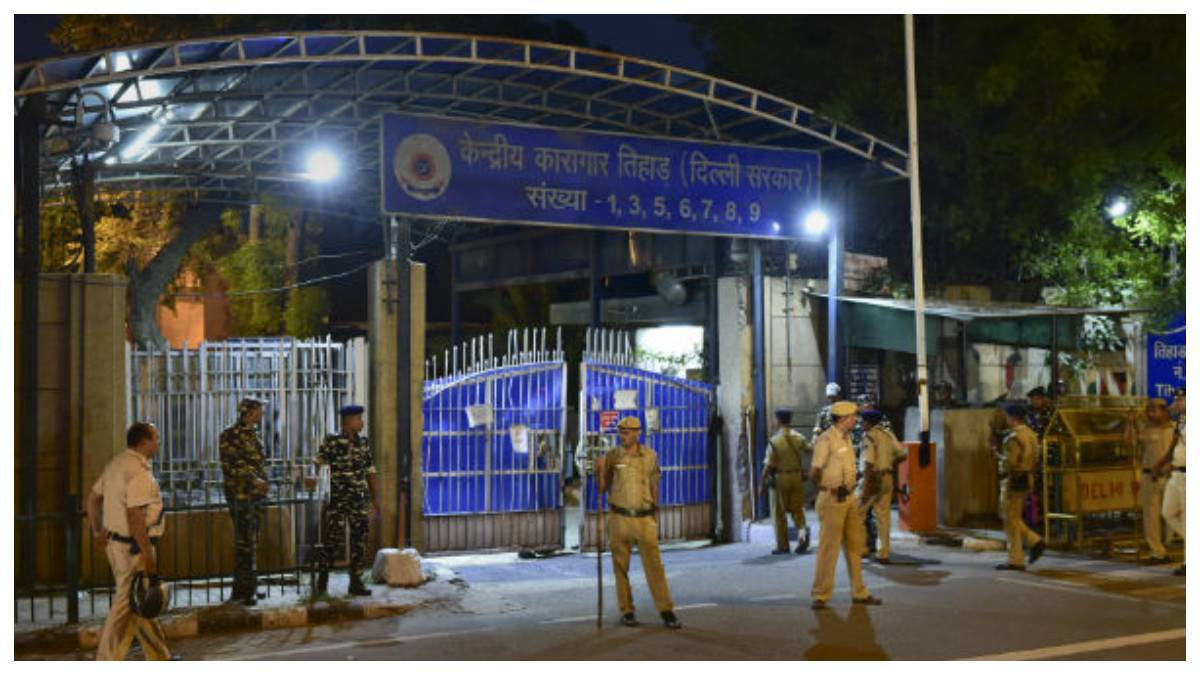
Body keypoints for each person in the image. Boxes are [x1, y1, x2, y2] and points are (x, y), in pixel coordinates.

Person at [86, 422, 173, 660]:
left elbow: (92, 499)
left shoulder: (116, 464)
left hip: (116, 545)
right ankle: (105, 659)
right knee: (125, 604)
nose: (159, 442)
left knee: (141, 600)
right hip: (133, 548)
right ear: (144, 442)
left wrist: (97, 530)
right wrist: (148, 555)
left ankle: (159, 657)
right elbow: (135, 516)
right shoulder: (138, 472)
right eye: (155, 438)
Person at [596, 416, 682, 629]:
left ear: (637, 433)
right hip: (619, 519)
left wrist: (655, 514)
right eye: (621, 432)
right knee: (620, 567)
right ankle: (627, 611)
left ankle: (666, 610)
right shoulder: (613, 456)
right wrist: (599, 470)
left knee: (655, 566)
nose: (623, 436)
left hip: (644, 519)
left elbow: (654, 486)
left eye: (626, 433)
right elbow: (602, 488)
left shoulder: (650, 456)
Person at [809, 400, 881, 609]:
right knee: (828, 549)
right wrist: (826, 489)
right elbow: (814, 472)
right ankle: (820, 595)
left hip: (849, 498)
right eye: (852, 417)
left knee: (854, 546)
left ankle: (860, 592)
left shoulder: (847, 438)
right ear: (842, 419)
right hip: (832, 499)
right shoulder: (826, 439)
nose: (856, 420)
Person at [312, 404, 379, 596]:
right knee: (333, 541)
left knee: (359, 541)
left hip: (359, 500)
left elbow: (370, 471)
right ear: (348, 421)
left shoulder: (363, 442)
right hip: (338, 501)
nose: (362, 422)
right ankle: (322, 584)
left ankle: (356, 583)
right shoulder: (332, 441)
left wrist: (375, 498)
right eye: (359, 419)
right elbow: (318, 462)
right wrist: (312, 476)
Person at [219, 398, 269, 606]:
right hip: (241, 496)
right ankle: (245, 592)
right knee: (245, 543)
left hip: (255, 497)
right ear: (249, 412)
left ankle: (245, 588)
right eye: (259, 410)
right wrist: (254, 479)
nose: (262, 414)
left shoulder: (253, 434)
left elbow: (258, 463)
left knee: (250, 542)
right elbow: (231, 465)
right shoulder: (230, 435)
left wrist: (261, 482)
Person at [994, 404, 1045, 571]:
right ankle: (1032, 543)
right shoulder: (1031, 435)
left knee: (1010, 520)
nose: (1006, 419)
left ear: (1013, 418)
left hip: (1013, 480)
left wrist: (998, 455)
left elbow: (1010, 462)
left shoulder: (1013, 437)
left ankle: (1019, 556)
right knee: (1013, 517)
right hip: (1027, 478)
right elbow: (1036, 457)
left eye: (1007, 416)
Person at [1125, 398, 1175, 564]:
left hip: (1170, 476)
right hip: (1149, 476)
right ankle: (1157, 551)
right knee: (1151, 516)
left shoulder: (1175, 429)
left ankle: (1171, 544)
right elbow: (1129, 442)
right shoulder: (1146, 428)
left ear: (1164, 411)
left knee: (1172, 513)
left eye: (1155, 410)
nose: (1151, 414)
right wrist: (1130, 423)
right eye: (1149, 410)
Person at [758, 409, 813, 554]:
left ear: (778, 421)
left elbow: (768, 465)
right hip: (797, 477)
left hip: (780, 479)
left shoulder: (774, 441)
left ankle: (783, 546)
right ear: (790, 420)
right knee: (798, 511)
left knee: (779, 514)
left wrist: (761, 484)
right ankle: (802, 538)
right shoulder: (799, 437)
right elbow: (811, 450)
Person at [859, 410, 904, 564]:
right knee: (883, 517)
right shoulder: (888, 435)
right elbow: (902, 454)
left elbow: (868, 463)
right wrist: (888, 463)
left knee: (857, 514)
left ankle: (862, 548)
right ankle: (883, 553)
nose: (861, 424)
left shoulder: (869, 436)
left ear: (868, 423)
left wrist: (866, 487)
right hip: (887, 477)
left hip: (873, 478)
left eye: (863, 421)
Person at [1154, 389, 1185, 576]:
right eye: (1177, 399)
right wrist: (1162, 463)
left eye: (1181, 399)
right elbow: (1174, 445)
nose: (1178, 402)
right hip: (1176, 474)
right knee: (1168, 512)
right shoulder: (1181, 420)